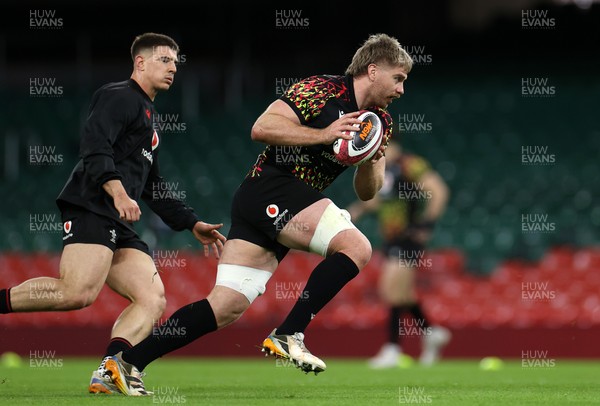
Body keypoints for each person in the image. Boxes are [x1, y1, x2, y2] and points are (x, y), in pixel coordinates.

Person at [101, 33, 413, 396]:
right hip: (270, 188)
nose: (402, 89)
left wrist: (371, 160)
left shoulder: (380, 123)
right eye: (399, 78)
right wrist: (324, 134)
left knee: (225, 305)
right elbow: (261, 128)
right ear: (373, 70)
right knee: (357, 247)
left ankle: (126, 363)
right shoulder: (320, 90)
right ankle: (289, 333)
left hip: (278, 204)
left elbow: (367, 191)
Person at [0, 32, 226, 394]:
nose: (173, 68)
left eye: (176, 62)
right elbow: (94, 147)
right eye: (164, 60)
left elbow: (154, 186)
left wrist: (191, 222)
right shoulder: (118, 96)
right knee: (77, 293)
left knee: (152, 299)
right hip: (94, 204)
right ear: (140, 62)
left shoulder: (150, 118)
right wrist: (118, 192)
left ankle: (111, 369)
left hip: (119, 219)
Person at [347, 141, 451, 368]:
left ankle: (393, 349)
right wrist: (350, 215)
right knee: (402, 293)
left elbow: (438, 190)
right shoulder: (383, 169)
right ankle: (431, 332)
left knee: (390, 290)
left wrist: (427, 225)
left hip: (408, 238)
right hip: (392, 239)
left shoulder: (409, 164)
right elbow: (374, 202)